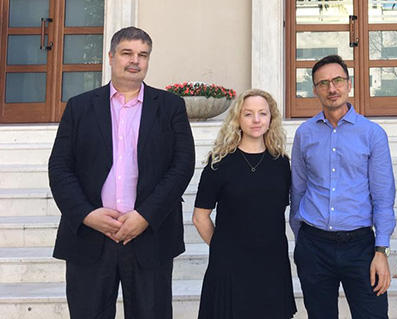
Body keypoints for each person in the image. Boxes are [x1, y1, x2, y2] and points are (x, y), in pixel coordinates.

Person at [48, 26, 195, 319]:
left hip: (148, 236)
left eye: (143, 55)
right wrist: (88, 215)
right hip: (90, 236)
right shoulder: (80, 107)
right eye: (127, 53)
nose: (135, 61)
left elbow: (182, 166)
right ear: (111, 56)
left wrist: (145, 216)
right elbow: (60, 167)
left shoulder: (169, 107)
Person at [290, 54, 396, 319]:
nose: (332, 88)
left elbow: (383, 198)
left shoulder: (372, 134)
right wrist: (301, 237)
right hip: (314, 245)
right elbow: (298, 189)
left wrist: (381, 250)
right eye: (323, 83)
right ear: (315, 90)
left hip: (360, 247)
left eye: (337, 80)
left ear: (349, 84)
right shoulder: (305, 133)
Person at [192, 89, 296, 319]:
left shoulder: (281, 164)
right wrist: (224, 249)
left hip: (272, 265)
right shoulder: (218, 163)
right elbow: (200, 218)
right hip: (229, 267)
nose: (256, 120)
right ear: (238, 119)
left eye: (262, 113)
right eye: (248, 114)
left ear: (271, 119)